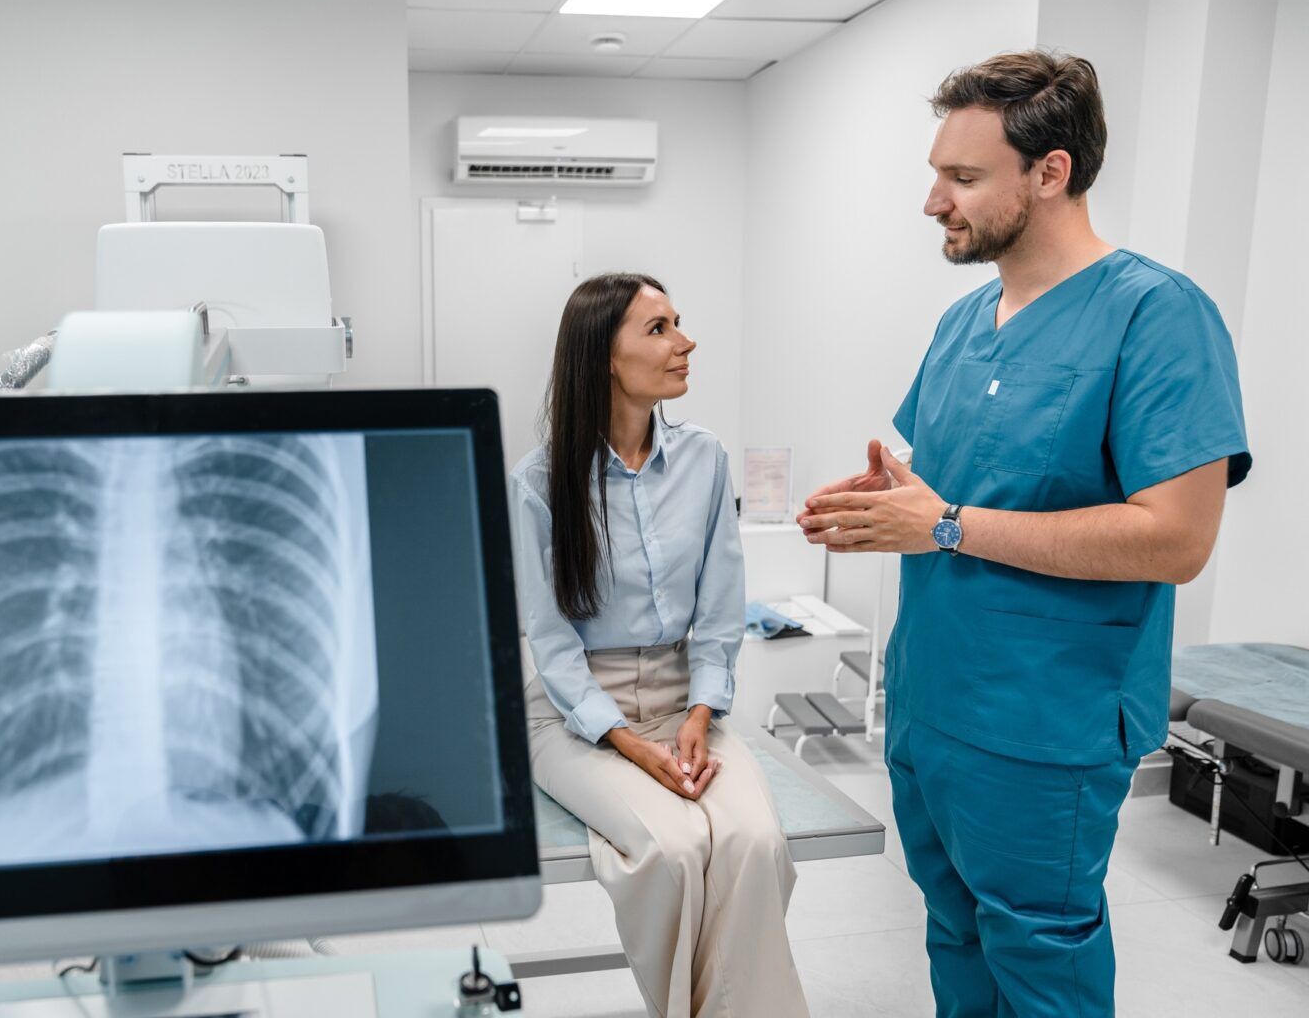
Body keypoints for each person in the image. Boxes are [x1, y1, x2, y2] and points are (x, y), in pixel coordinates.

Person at [799, 51, 1250, 1017]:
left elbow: (1176, 540)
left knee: (1039, 960)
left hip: (1044, 722)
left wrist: (949, 524)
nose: (933, 202)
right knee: (954, 935)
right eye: (937, 173)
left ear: (1050, 173)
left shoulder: (1158, 316)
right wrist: (894, 503)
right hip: (930, 700)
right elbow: (957, 495)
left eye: (962, 179)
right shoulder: (966, 321)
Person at [513, 273, 807, 1018]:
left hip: (683, 701)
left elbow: (718, 610)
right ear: (602, 356)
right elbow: (548, 640)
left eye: (679, 323)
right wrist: (624, 741)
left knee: (754, 843)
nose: (686, 342)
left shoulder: (704, 460)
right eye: (659, 329)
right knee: (672, 854)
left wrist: (701, 714)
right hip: (574, 712)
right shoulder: (540, 481)